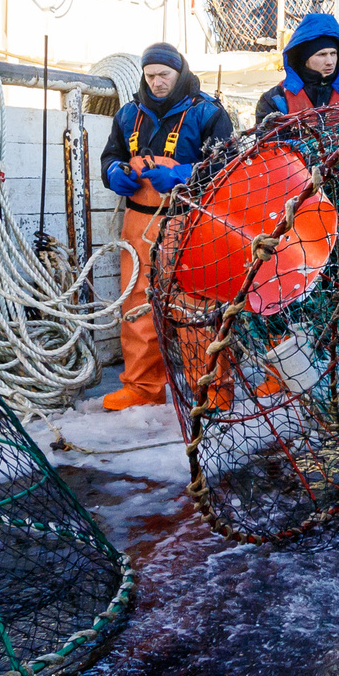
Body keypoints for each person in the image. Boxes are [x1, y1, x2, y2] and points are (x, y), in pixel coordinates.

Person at [98, 42, 234, 411]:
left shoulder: (208, 113)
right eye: (151, 75)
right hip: (138, 222)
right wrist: (113, 172)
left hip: (189, 222)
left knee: (194, 308)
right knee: (137, 304)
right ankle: (143, 387)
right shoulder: (128, 114)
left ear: (180, 74)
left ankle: (213, 390)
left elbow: (229, 168)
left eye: (164, 75)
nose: (157, 82)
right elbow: (112, 154)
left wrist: (184, 174)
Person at [254, 11, 339, 125]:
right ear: (304, 58)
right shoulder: (274, 100)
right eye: (321, 55)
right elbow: (267, 143)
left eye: (333, 53)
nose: (330, 62)